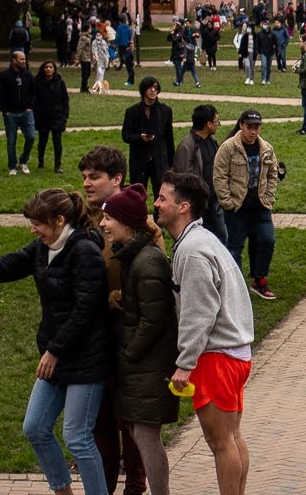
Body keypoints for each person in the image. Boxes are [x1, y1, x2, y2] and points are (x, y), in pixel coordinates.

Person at [0, 189, 111, 495]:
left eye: (37, 223)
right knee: (35, 428)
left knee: (77, 438)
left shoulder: (84, 251)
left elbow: (86, 311)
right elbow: (0, 268)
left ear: (59, 221)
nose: (33, 229)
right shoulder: (42, 248)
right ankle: (63, 492)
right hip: (55, 355)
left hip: (86, 359)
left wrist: (54, 351)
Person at [154, 173, 254, 495]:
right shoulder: (201, 241)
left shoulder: (193, 251)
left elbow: (200, 313)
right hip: (234, 353)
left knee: (220, 442)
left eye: (162, 198)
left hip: (217, 358)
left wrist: (185, 363)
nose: (156, 204)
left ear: (183, 207)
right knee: (232, 437)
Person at [99, 184, 178, 495]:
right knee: (138, 433)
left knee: (145, 437)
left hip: (148, 367)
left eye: (109, 219)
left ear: (127, 223)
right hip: (141, 367)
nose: (103, 224)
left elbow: (154, 321)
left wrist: (128, 353)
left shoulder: (148, 261)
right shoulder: (135, 256)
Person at [213, 109, 280, 301]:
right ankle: (235, 288)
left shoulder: (266, 148)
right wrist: (228, 203)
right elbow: (219, 177)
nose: (253, 131)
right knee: (235, 247)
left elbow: (272, 174)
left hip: (261, 207)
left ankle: (259, 280)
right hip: (237, 209)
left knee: (267, 240)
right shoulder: (228, 148)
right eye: (250, 127)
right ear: (241, 125)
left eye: (257, 127)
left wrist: (268, 198)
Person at [173, 104, 227, 245]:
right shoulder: (187, 146)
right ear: (208, 124)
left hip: (214, 204)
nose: (218, 125)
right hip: (198, 205)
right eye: (216, 122)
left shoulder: (212, 141)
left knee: (221, 240)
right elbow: (185, 179)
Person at [120, 78, 175, 197]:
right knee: (137, 195)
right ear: (143, 90)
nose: (153, 90)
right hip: (139, 159)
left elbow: (169, 137)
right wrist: (140, 137)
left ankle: (158, 215)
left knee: (161, 193)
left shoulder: (165, 111)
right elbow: (126, 135)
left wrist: (171, 162)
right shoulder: (132, 112)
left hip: (159, 159)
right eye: (150, 87)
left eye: (156, 87)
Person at [0, 49, 36, 175]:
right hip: (10, 114)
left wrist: (30, 107)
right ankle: (12, 166)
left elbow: (34, 93)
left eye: (24, 59)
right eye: (21, 59)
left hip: (26, 112)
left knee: (31, 136)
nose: (24, 61)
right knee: (11, 141)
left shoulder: (28, 76)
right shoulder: (3, 76)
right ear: (13, 60)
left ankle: (23, 161)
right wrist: (4, 110)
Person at [32, 60, 70, 173]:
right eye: (46, 67)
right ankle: (40, 161)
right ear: (42, 69)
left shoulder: (60, 82)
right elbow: (34, 99)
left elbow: (65, 99)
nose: (48, 69)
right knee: (42, 141)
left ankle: (57, 165)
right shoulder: (37, 82)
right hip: (42, 116)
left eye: (51, 67)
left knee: (57, 141)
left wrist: (65, 115)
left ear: (54, 69)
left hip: (57, 116)